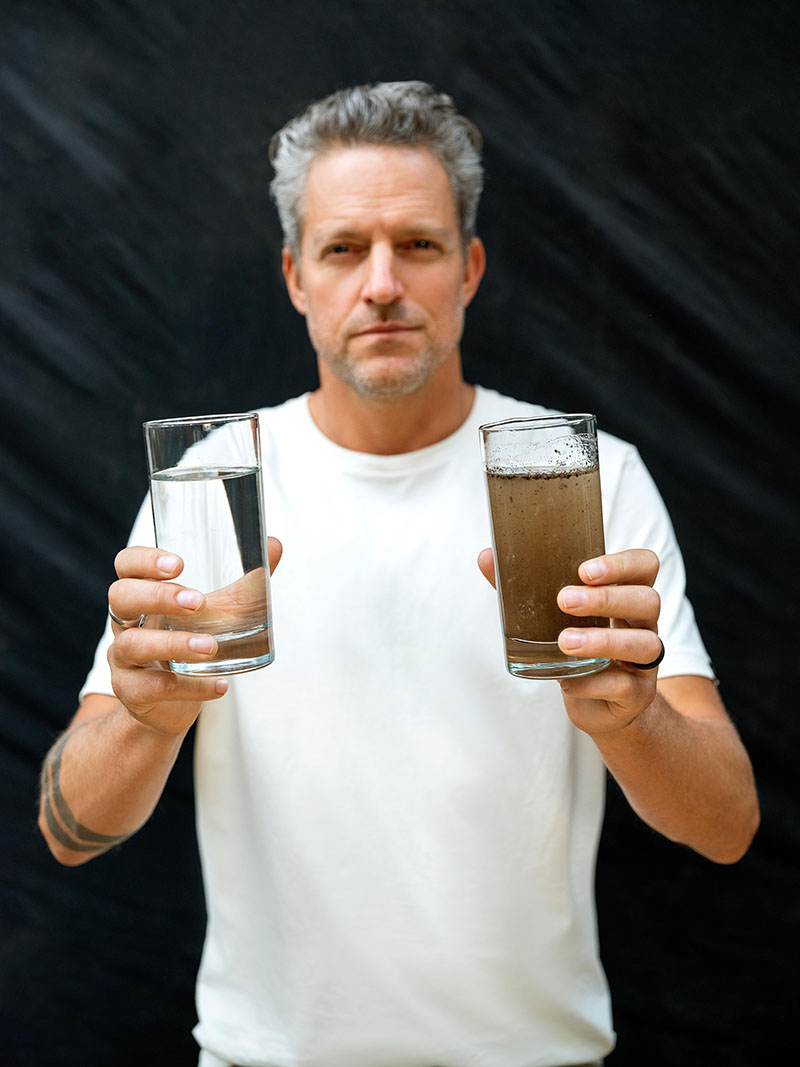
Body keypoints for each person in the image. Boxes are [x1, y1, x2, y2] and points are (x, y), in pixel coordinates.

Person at [39, 81, 758, 1067]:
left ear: (469, 268)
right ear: (295, 276)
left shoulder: (575, 474)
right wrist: (146, 718)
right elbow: (69, 830)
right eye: (344, 249)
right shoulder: (218, 480)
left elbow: (726, 826)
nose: (381, 283)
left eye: (417, 244)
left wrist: (632, 718)